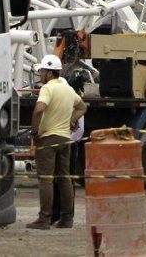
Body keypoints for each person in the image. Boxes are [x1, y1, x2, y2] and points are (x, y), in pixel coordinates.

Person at [27, 54, 86, 230]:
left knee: (45, 178)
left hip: (48, 139)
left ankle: (44, 219)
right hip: (65, 139)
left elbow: (39, 109)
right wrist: (70, 120)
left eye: (42, 71)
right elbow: (83, 107)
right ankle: (67, 219)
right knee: (64, 178)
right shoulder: (67, 89)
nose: (40, 75)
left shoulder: (48, 88)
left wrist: (34, 131)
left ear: (49, 73)